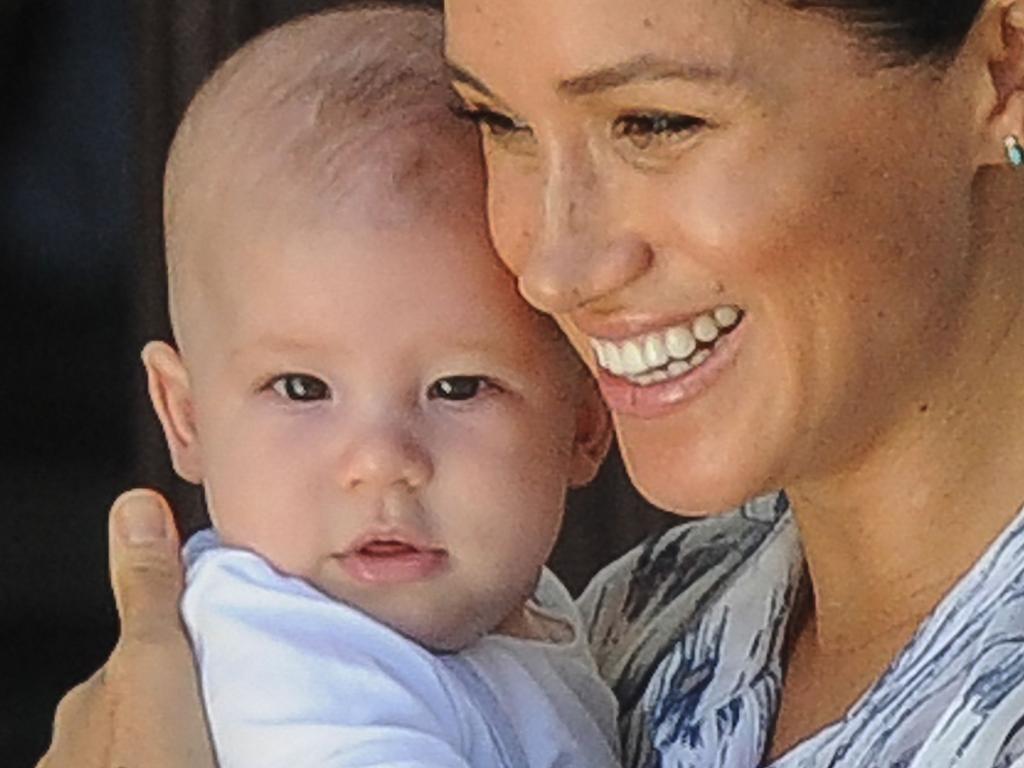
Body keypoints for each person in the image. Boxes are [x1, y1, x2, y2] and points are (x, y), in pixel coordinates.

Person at [37, 0, 1024, 766]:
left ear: (1003, 68)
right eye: (497, 122)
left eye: (656, 121)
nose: (550, 267)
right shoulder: (639, 616)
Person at [119, 6, 621, 768]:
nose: (382, 460)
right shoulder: (286, 657)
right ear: (187, 418)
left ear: (586, 419)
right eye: (300, 388)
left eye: (456, 388)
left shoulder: (532, 610)